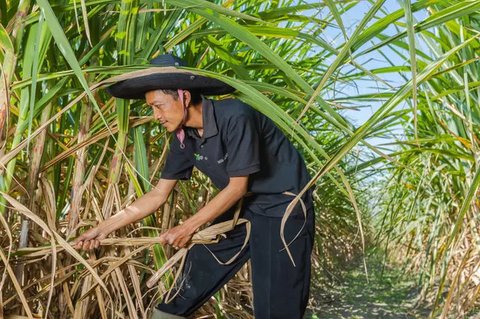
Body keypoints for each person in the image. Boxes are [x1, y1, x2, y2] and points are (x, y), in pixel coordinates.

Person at [74, 54, 314, 319]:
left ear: (184, 97)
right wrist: (101, 230)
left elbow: (237, 187)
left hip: (283, 210)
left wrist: (187, 227)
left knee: (275, 305)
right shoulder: (182, 138)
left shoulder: (236, 116)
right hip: (242, 209)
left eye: (159, 106)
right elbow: (158, 194)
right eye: (152, 108)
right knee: (194, 274)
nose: (156, 115)